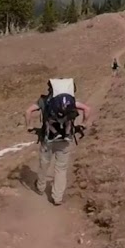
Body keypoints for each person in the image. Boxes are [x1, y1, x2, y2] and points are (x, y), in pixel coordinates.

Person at [24, 78, 91, 206]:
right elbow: (87, 109)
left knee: (44, 164)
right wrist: (83, 124)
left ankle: (40, 187)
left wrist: (29, 126)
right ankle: (57, 197)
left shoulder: (43, 101)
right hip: (65, 140)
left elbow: (28, 111)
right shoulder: (70, 102)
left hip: (47, 139)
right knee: (61, 168)